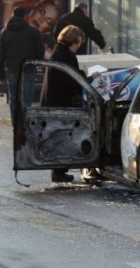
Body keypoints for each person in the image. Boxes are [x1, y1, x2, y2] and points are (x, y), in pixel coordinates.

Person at [40, 25, 101, 182]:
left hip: (53, 100)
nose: (78, 47)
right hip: (60, 101)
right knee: (64, 135)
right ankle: (59, 171)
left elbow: (68, 74)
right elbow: (70, 79)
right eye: (77, 43)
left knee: (59, 134)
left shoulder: (59, 52)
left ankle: (59, 170)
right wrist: (88, 77)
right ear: (70, 41)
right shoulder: (65, 55)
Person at [0, 7, 45, 125]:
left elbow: (0, 55)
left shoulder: (5, 32)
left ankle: (15, 121)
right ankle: (26, 122)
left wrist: (0, 74)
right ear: (25, 16)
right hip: (28, 69)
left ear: (12, 15)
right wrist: (38, 65)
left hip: (12, 69)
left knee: (14, 98)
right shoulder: (33, 32)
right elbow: (40, 52)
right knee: (27, 98)